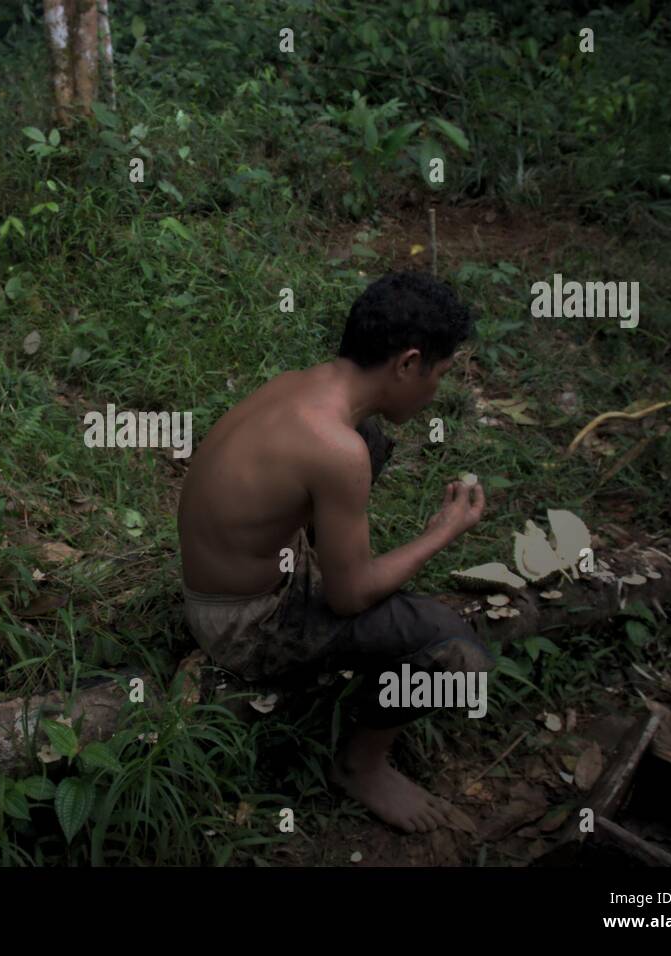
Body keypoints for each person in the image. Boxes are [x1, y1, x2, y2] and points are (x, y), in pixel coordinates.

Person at [178, 271, 492, 834]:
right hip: (241, 623)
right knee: (454, 652)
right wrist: (441, 533)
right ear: (407, 363)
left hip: (219, 580)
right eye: (439, 375)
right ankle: (362, 766)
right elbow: (349, 600)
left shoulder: (303, 386)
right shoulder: (336, 450)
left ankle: (327, 564)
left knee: (365, 440)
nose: (436, 391)